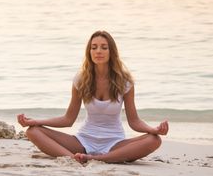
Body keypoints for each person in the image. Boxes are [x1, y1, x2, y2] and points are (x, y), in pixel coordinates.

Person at [17, 30, 169, 164]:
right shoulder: (81, 79)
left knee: (154, 140)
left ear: (111, 52)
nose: (98, 51)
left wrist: (154, 129)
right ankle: (74, 158)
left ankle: (96, 159)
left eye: (104, 47)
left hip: (114, 142)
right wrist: (36, 121)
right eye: (94, 47)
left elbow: (134, 121)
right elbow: (68, 119)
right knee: (32, 131)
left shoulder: (125, 81)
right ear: (89, 52)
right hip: (84, 140)